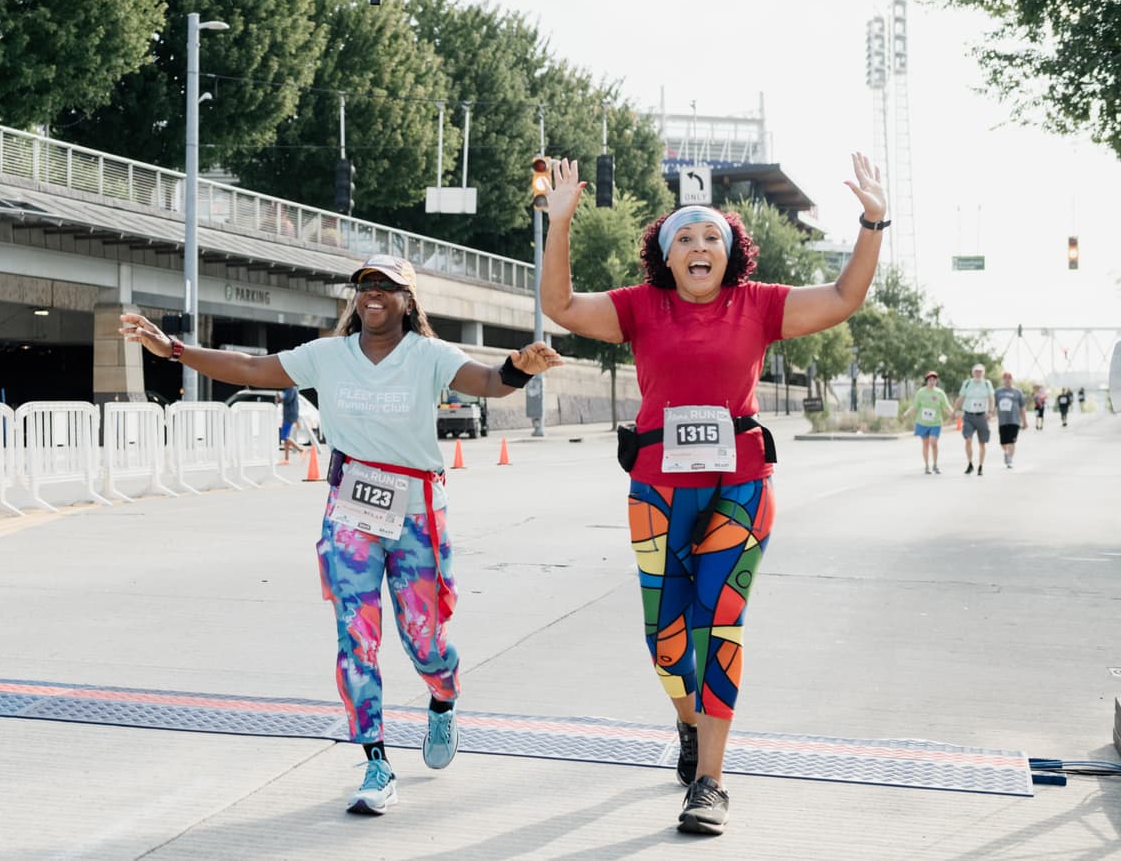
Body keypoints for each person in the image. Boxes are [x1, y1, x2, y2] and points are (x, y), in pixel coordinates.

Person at [120, 254, 562, 816]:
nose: (372, 293)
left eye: (386, 286)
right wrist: (175, 349)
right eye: (364, 285)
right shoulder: (328, 357)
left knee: (423, 639)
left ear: (408, 300)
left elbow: (488, 382)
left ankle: (443, 696)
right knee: (357, 637)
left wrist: (518, 368)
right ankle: (375, 759)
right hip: (351, 511)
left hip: (417, 512)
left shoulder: (429, 356)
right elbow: (252, 368)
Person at [539, 152, 888, 836]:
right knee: (666, 639)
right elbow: (558, 306)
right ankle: (690, 723)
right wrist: (559, 225)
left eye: (712, 239)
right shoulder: (640, 309)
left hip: (740, 488)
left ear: (733, 256)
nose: (699, 247)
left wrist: (873, 221)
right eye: (685, 239)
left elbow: (846, 298)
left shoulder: (759, 306)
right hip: (658, 493)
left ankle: (710, 782)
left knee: (717, 623)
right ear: (665, 259)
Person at [901, 371, 952, 473]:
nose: (932, 382)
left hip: (935, 423)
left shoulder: (940, 393)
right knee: (925, 444)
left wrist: (953, 414)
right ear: (926, 381)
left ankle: (935, 465)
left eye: (934, 380)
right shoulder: (921, 392)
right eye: (930, 380)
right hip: (922, 423)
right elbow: (915, 406)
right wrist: (906, 413)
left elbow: (946, 406)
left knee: (933, 443)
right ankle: (927, 466)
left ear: (936, 381)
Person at [955, 364, 993, 474]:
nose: (978, 373)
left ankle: (980, 466)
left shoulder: (987, 384)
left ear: (983, 373)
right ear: (972, 372)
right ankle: (970, 463)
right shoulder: (967, 383)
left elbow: (991, 399)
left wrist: (990, 411)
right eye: (976, 371)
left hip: (981, 416)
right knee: (968, 440)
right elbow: (961, 398)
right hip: (968, 416)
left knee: (982, 443)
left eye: (980, 371)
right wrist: (955, 411)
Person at [993, 371, 1028, 468]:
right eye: (1005, 379)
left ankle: (1009, 460)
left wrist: (1024, 421)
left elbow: (1022, 407)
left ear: (1012, 380)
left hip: (1014, 420)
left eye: (1009, 379)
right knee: (1003, 442)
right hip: (1002, 420)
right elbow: (993, 405)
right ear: (1003, 380)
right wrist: (990, 414)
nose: (1007, 381)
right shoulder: (998, 392)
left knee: (1011, 441)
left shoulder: (1017, 392)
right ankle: (1006, 452)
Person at [278, 385, 304, 460]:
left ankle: (301, 449)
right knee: (287, 437)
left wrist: (280, 398)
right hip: (289, 414)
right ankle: (286, 459)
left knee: (284, 436)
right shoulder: (290, 388)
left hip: (289, 414)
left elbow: (287, 399)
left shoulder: (290, 388)